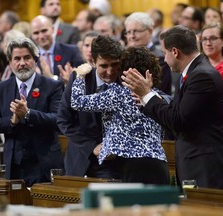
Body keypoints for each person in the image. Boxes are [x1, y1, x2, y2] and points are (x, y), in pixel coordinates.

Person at [122, 25, 223, 189]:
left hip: (207, 165)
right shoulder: (194, 72)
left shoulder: (202, 76)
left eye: (165, 53)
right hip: (199, 161)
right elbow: (179, 111)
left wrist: (147, 94)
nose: (165, 59)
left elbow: (177, 121)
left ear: (175, 52)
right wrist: (148, 98)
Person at [70, 37, 170, 184]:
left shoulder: (118, 94)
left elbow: (78, 102)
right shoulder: (155, 97)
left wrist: (79, 76)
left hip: (133, 167)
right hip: (159, 164)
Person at [0, 37, 64, 187]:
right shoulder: (1, 88)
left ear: (35, 60)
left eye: (27, 58)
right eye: (17, 59)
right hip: (14, 165)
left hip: (44, 163)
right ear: (10, 63)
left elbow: (58, 120)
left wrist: (28, 114)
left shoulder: (52, 86)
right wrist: (12, 120)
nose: (22, 63)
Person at [57, 35, 122, 179]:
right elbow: (63, 119)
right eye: (104, 66)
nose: (110, 72)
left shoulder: (126, 81)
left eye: (115, 65)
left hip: (114, 164)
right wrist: (91, 146)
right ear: (92, 61)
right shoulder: (79, 79)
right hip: (79, 161)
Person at [200, 22, 223, 139]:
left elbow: (221, 100)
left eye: (213, 38)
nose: (208, 43)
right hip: (200, 129)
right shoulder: (196, 69)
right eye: (204, 39)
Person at [124, 12, 172, 95]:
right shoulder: (124, 57)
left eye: (136, 31)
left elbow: (160, 91)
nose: (132, 36)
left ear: (150, 31)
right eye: (128, 32)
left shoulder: (160, 59)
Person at [30, 15, 84, 84]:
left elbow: (80, 81)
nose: (41, 36)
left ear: (53, 29)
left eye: (44, 31)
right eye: (36, 33)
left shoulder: (71, 51)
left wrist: (52, 77)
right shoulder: (29, 57)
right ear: (31, 35)